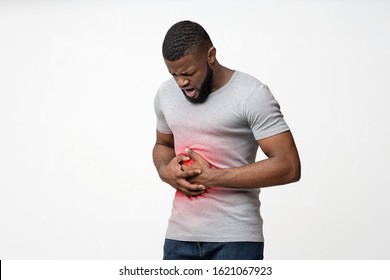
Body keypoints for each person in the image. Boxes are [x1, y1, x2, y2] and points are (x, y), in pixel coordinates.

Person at [153, 20, 301, 260]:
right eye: (174, 74)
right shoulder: (165, 94)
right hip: (178, 237)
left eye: (188, 73)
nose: (181, 82)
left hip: (236, 240)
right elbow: (163, 145)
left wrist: (212, 176)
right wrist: (164, 170)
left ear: (211, 55)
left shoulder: (251, 94)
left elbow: (289, 166)